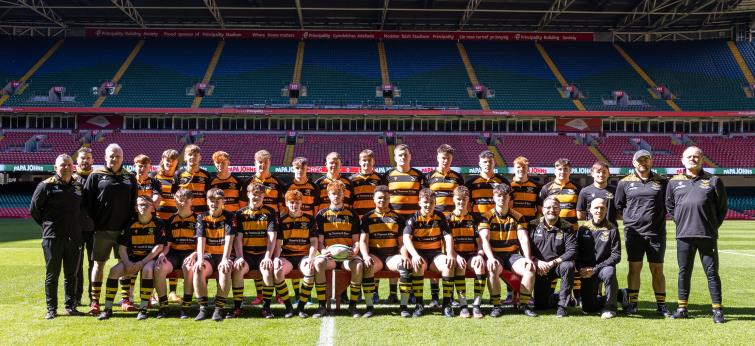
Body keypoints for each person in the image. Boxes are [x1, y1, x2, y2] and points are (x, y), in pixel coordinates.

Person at [666, 146, 727, 324]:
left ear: (702, 159)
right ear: (682, 160)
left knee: (712, 273)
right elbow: (670, 206)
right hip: (684, 235)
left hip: (707, 235)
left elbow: (722, 208)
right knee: (684, 272)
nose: (692, 159)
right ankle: (682, 308)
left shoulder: (714, 180)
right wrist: (681, 221)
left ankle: (717, 310)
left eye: (696, 156)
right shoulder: (673, 182)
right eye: (689, 156)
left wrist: (712, 226)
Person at [83, 143, 138, 316]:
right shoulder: (96, 176)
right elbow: (86, 203)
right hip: (102, 230)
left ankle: (126, 299)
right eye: (111, 156)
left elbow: (133, 204)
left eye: (118, 156)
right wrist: (94, 223)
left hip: (123, 231)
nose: (115, 159)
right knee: (98, 265)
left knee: (124, 265)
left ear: (123, 157)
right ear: (105, 157)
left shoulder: (130, 177)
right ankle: (95, 302)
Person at [615, 150, 670, 316]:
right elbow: (619, 206)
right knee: (634, 268)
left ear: (651, 162)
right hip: (634, 233)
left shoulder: (662, 181)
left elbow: (669, 203)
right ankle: (633, 304)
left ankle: (661, 306)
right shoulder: (624, 183)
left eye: (646, 160)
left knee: (657, 269)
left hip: (656, 233)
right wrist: (633, 219)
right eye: (639, 160)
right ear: (633, 162)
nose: (643, 163)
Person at [30, 154, 84, 319]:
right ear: (55, 168)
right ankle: (51, 309)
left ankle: (70, 306)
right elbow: (35, 210)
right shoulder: (45, 186)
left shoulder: (78, 186)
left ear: (73, 166)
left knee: (71, 274)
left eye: (69, 164)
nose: (66, 167)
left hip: (74, 237)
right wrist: (48, 226)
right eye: (62, 165)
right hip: (52, 237)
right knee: (52, 274)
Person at [97, 196, 165, 320]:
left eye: (146, 205)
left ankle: (143, 309)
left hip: (149, 259)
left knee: (147, 270)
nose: (143, 207)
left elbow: (159, 247)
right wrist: (127, 263)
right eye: (140, 205)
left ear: (152, 207)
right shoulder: (130, 223)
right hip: (133, 258)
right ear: (136, 208)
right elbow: (122, 248)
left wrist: (143, 262)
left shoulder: (158, 223)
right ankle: (107, 309)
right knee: (113, 271)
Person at [478, 184, 537, 318]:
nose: (502, 199)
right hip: (495, 255)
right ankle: (496, 305)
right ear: (494, 197)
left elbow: (523, 238)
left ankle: (524, 305)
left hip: (512, 255)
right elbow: (484, 240)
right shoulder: (486, 216)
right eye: (498, 196)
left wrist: (527, 257)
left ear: (509, 198)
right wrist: (491, 258)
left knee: (529, 269)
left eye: (505, 196)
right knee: (493, 269)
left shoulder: (518, 216)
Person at [230, 182, 284, 319]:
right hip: (246, 255)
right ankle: (237, 307)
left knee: (267, 270)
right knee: (237, 269)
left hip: (262, 254)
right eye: (254, 194)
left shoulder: (270, 212)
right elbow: (238, 238)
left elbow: (272, 237)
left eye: (259, 194)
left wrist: (267, 257)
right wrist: (240, 256)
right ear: (248, 195)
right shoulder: (240, 214)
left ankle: (266, 308)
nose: (256, 197)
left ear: (264, 196)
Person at [402, 188, 455, 318]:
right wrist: (414, 255)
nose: (428, 205)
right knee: (418, 264)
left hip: (436, 254)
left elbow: (448, 237)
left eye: (431, 202)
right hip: (420, 254)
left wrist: (449, 253)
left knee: (449, 264)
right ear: (419, 202)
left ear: (435, 203)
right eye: (425, 202)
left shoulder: (440, 216)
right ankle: (419, 304)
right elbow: (406, 238)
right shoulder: (413, 218)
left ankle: (447, 305)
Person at [359, 185, 409, 318]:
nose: (383, 200)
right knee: (367, 266)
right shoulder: (367, 217)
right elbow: (363, 241)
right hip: (375, 256)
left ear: (389, 199)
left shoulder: (398, 218)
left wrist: (404, 256)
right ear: (374, 199)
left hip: (392, 256)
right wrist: (365, 256)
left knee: (404, 266)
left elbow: (402, 242)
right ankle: (369, 307)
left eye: (386, 198)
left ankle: (403, 307)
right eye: (380, 198)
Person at [315, 180, 364, 318]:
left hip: (346, 257)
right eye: (333, 194)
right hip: (329, 256)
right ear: (328, 195)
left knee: (359, 265)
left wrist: (354, 251)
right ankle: (321, 305)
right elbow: (319, 241)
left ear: (343, 195)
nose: (336, 196)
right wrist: (323, 251)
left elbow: (356, 240)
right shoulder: (321, 215)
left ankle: (353, 306)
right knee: (318, 263)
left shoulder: (351, 214)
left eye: (339, 194)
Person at [244, 149, 284, 305]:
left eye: (265, 162)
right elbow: (243, 205)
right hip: (255, 224)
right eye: (259, 162)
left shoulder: (277, 183)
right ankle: (260, 294)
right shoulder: (249, 182)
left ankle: (279, 294)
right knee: (258, 256)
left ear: (270, 163)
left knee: (275, 259)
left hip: (273, 225)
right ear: (255, 163)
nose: (262, 165)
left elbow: (281, 206)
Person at [349, 149, 388, 304]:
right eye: (363, 161)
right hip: (357, 224)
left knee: (374, 255)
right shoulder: (352, 180)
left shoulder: (380, 179)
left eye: (369, 161)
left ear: (373, 163)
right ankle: (353, 291)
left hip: (376, 222)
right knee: (357, 256)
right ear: (360, 162)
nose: (366, 164)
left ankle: (375, 291)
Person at [277, 190, 324, 318]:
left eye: (297, 202)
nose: (294, 205)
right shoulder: (281, 220)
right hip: (287, 256)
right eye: (291, 202)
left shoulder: (309, 219)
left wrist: (311, 258)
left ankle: (301, 307)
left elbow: (314, 242)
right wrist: (276, 258)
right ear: (287, 203)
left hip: (303, 255)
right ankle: (288, 307)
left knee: (309, 270)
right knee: (277, 271)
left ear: (301, 203)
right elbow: (277, 242)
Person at [153, 188, 198, 319]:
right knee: (159, 267)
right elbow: (168, 245)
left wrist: (195, 253)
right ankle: (163, 306)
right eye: (179, 200)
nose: (181, 203)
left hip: (191, 253)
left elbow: (202, 243)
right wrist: (162, 254)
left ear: (191, 201)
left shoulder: (198, 219)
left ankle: (186, 306)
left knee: (189, 267)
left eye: (185, 200)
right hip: (174, 253)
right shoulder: (171, 220)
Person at [529, 197, 577, 318]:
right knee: (540, 306)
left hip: (557, 265)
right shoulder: (532, 225)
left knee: (569, 266)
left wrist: (552, 263)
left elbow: (572, 250)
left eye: (555, 207)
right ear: (542, 209)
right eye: (548, 207)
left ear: (559, 209)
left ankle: (562, 306)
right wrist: (537, 262)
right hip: (540, 268)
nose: (552, 210)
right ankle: (560, 297)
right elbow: (525, 248)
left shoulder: (567, 226)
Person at [193, 188, 235, 321]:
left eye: (218, 200)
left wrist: (225, 259)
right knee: (198, 269)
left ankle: (219, 308)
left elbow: (230, 239)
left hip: (224, 254)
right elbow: (201, 240)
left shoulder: (229, 216)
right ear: (207, 201)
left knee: (225, 269)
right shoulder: (201, 217)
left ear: (223, 201)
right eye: (211, 200)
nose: (214, 203)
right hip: (209, 255)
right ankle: (203, 308)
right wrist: (199, 259)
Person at [576, 198, 621, 320]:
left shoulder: (612, 229)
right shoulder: (582, 229)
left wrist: (595, 269)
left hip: (603, 268)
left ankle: (610, 307)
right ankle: (620, 295)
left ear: (606, 210)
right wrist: (581, 268)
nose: (599, 210)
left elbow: (616, 255)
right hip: (587, 270)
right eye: (596, 208)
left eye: (602, 208)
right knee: (587, 308)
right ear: (590, 210)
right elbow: (577, 252)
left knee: (609, 272)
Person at [446, 186, 487, 318]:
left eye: (464, 199)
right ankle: (463, 305)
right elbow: (445, 243)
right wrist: (455, 256)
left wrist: (480, 255)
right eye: (458, 199)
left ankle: (476, 306)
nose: (461, 202)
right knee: (460, 266)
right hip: (455, 254)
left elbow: (480, 242)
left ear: (468, 199)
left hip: (471, 254)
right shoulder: (447, 219)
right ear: (453, 199)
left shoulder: (475, 218)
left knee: (480, 265)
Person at [508, 156, 541, 304]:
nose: (521, 170)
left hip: (530, 228)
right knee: (512, 261)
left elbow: (539, 210)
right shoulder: (509, 185)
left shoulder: (535, 186)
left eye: (524, 168)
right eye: (518, 168)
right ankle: (511, 294)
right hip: (512, 228)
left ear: (528, 169)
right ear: (514, 169)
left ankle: (528, 293)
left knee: (528, 261)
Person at [151, 149, 182, 303]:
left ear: (177, 162)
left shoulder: (178, 178)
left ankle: (172, 292)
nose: (169, 163)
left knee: (170, 256)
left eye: (173, 160)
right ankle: (152, 293)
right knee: (155, 256)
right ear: (162, 160)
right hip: (157, 222)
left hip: (173, 222)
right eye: (167, 160)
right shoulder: (154, 177)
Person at [72, 147, 94, 307]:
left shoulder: (98, 177)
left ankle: (94, 297)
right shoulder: (71, 179)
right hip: (76, 229)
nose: (85, 161)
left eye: (88, 158)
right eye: (82, 158)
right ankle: (76, 297)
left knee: (95, 264)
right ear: (77, 160)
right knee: (76, 265)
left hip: (94, 228)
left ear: (92, 160)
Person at [466, 150, 510, 220]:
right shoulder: (470, 182)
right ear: (480, 164)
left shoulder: (503, 181)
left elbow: (509, 201)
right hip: (477, 219)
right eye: (485, 162)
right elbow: (467, 203)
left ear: (494, 163)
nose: (487, 164)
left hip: (497, 219)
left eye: (490, 161)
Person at [426, 144, 464, 217]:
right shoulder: (429, 176)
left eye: (448, 158)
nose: (445, 161)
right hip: (435, 216)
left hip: (454, 216)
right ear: (438, 158)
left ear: (452, 158)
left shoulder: (458, 177)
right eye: (443, 158)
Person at [176, 144, 210, 214]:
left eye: (195, 155)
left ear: (200, 157)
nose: (192, 157)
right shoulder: (178, 174)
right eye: (190, 154)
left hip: (201, 213)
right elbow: (174, 194)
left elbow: (208, 196)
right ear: (185, 158)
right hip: (183, 213)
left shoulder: (206, 175)